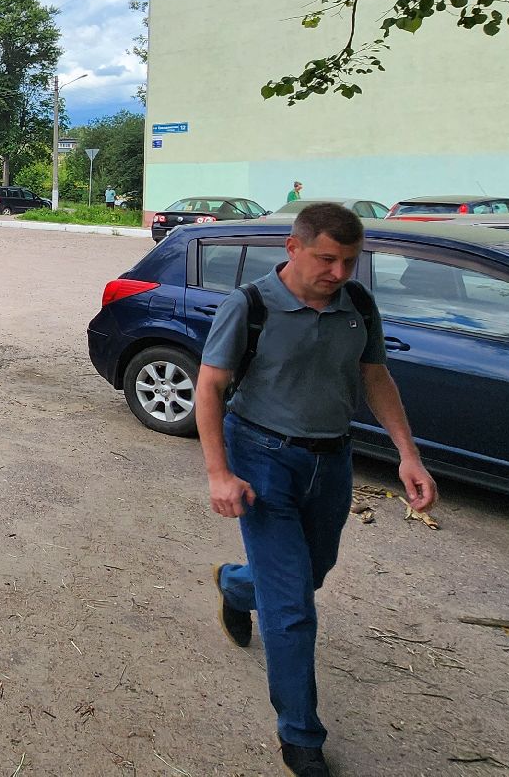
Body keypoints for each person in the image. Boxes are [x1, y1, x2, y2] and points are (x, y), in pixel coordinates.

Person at [196, 202, 436, 777]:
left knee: (314, 572)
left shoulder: (359, 305)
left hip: (331, 463)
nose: (339, 272)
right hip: (261, 459)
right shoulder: (249, 305)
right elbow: (209, 388)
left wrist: (408, 454)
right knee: (293, 609)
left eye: (350, 261)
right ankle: (301, 736)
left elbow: (375, 376)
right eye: (327, 259)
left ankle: (234, 584)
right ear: (294, 248)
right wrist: (218, 473)